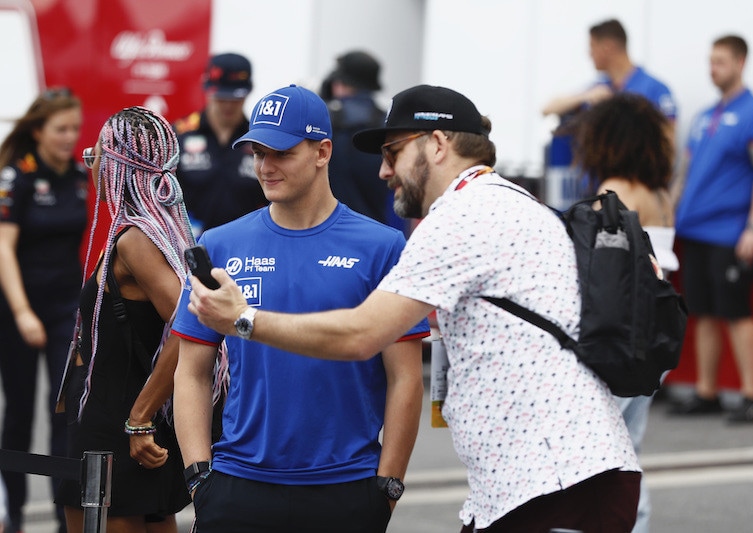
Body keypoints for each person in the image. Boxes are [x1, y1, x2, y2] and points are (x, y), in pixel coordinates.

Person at [183, 84, 641, 533]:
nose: (384, 171)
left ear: (437, 144)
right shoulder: (512, 202)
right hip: (549, 475)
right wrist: (201, 478)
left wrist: (243, 318)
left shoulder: (458, 219)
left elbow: (361, 335)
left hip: (551, 479)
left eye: (394, 152)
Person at [171, 84, 429, 533]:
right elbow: (191, 369)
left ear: (322, 152)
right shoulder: (221, 244)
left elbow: (404, 376)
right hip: (237, 485)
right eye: (257, 153)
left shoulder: (381, 247)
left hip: (346, 487)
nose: (265, 167)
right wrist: (198, 475)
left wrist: (387, 486)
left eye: (281, 153)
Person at [54, 106, 194, 532]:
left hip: (117, 425)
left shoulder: (137, 241)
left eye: (95, 155)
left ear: (117, 166)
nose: (91, 163)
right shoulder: (151, 232)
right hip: (121, 419)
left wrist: (140, 416)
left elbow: (192, 325)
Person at [571, 92, 679, 533]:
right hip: (656, 331)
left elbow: (596, 269)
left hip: (619, 334)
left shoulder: (614, 191)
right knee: (629, 447)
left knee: (597, 450)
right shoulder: (660, 195)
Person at [669, 35, 753, 423]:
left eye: (720, 61)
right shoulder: (705, 117)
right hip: (695, 232)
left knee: (735, 311)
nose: (712, 69)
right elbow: (685, 173)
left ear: (740, 63)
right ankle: (707, 392)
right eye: (710, 61)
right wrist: (670, 214)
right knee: (702, 312)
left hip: (731, 234)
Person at [0, 87, 84, 533]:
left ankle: (62, 518)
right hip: (18, 308)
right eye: (61, 129)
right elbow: (3, 248)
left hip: (65, 308)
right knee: (19, 412)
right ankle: (13, 514)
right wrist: (22, 312)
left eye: (75, 128)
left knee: (64, 413)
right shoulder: (17, 175)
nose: (70, 137)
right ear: (38, 131)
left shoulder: (80, 176)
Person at [174, 52, 265, 235]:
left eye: (236, 98)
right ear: (206, 89)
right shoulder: (178, 135)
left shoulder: (259, 140)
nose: (228, 105)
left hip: (245, 244)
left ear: (249, 91)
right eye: (221, 97)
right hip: (187, 245)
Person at [541, 18, 677, 125]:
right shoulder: (598, 89)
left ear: (608, 47)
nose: (589, 54)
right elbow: (547, 109)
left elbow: (668, 141)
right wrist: (585, 97)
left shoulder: (654, 89)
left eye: (592, 46)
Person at [321, 50, 399, 228]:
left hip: (329, 229)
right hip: (378, 231)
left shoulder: (325, 120)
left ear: (339, 83)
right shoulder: (389, 124)